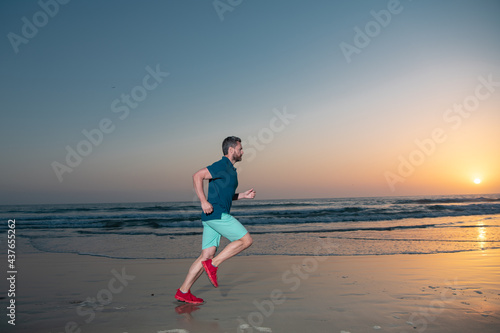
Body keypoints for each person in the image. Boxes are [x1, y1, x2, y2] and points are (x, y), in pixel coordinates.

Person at [175, 136, 255, 304]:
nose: (242, 152)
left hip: (212, 216)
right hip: (217, 214)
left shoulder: (231, 170)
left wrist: (242, 196)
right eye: (240, 149)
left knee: (206, 255)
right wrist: (203, 201)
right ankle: (214, 265)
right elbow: (197, 176)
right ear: (231, 150)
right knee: (246, 240)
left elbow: (225, 196)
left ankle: (183, 291)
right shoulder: (222, 165)